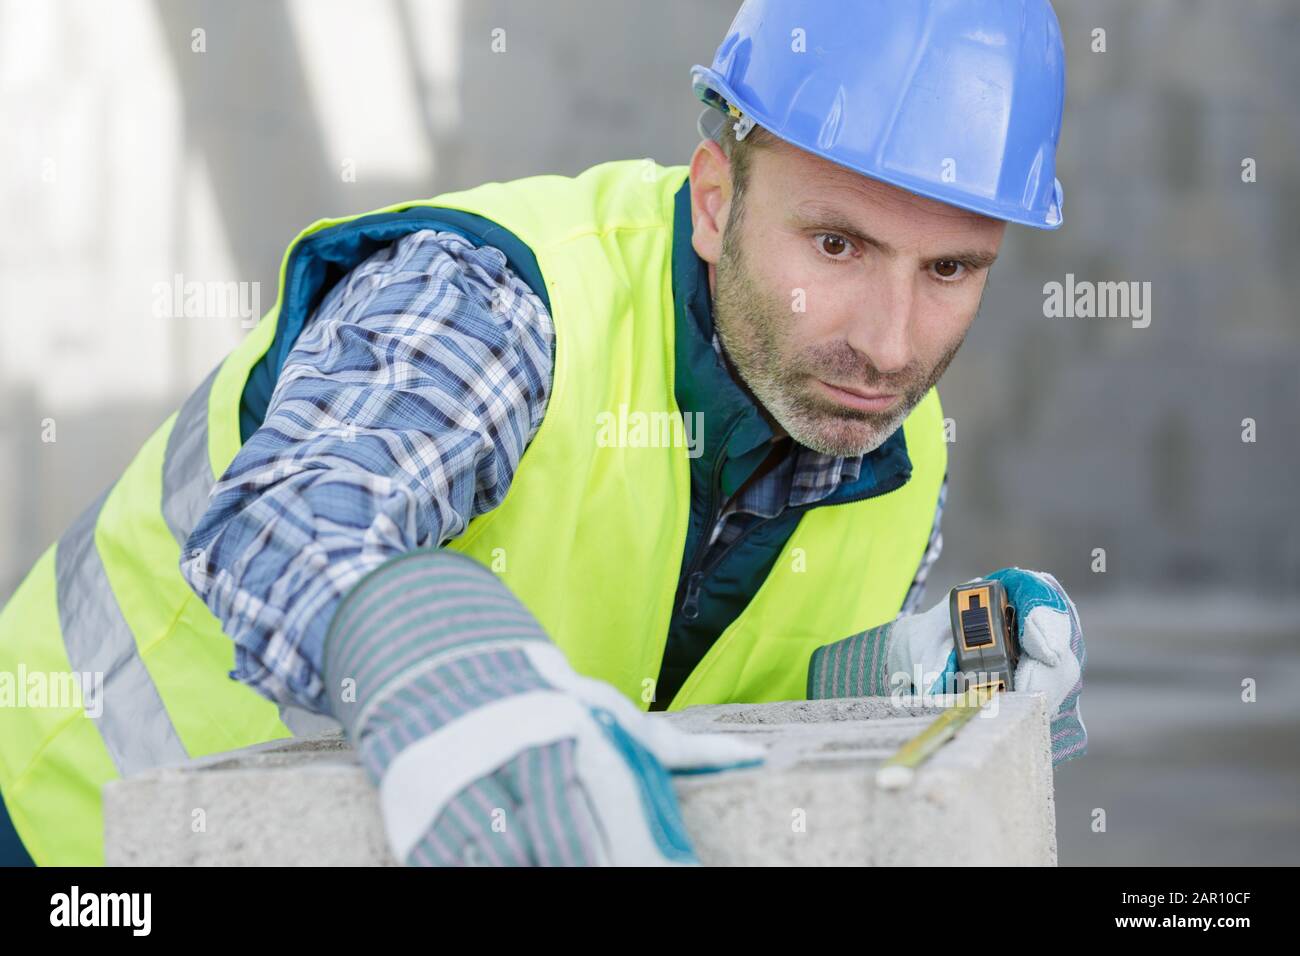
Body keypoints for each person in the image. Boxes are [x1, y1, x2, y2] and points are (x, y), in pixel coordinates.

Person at [0, 0, 1084, 867]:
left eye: (948, 269)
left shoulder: (900, 448)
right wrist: (431, 659)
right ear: (716, 202)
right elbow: (290, 516)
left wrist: (881, 679)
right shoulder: (504, 302)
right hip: (63, 833)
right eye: (837, 246)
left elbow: (684, 706)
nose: (890, 347)